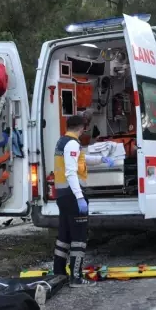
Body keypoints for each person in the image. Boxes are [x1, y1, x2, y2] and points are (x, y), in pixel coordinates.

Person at [53, 115, 114, 287]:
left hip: (62, 195)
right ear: (81, 128)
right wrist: (80, 197)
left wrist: (100, 159)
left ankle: (58, 274)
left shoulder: (62, 142)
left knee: (64, 236)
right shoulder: (72, 143)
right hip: (73, 196)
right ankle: (76, 278)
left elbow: (79, 159)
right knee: (78, 238)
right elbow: (71, 172)